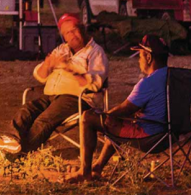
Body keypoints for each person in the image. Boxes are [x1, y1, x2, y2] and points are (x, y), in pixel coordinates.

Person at [0, 13, 108, 157]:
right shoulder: (62, 49)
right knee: (26, 111)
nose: (71, 35)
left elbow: (95, 84)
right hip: (51, 96)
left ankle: (17, 155)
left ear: (82, 29)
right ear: (63, 36)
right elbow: (40, 76)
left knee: (44, 120)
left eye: (74, 30)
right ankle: (11, 141)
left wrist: (69, 68)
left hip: (78, 99)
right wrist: (48, 64)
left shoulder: (95, 52)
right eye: (67, 33)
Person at [66, 34, 169, 183]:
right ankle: (98, 167)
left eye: (140, 56)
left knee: (89, 117)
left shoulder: (148, 82)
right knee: (116, 122)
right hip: (172, 136)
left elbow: (125, 109)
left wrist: (105, 116)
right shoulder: (179, 78)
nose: (139, 60)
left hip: (150, 137)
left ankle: (85, 172)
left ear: (148, 57)